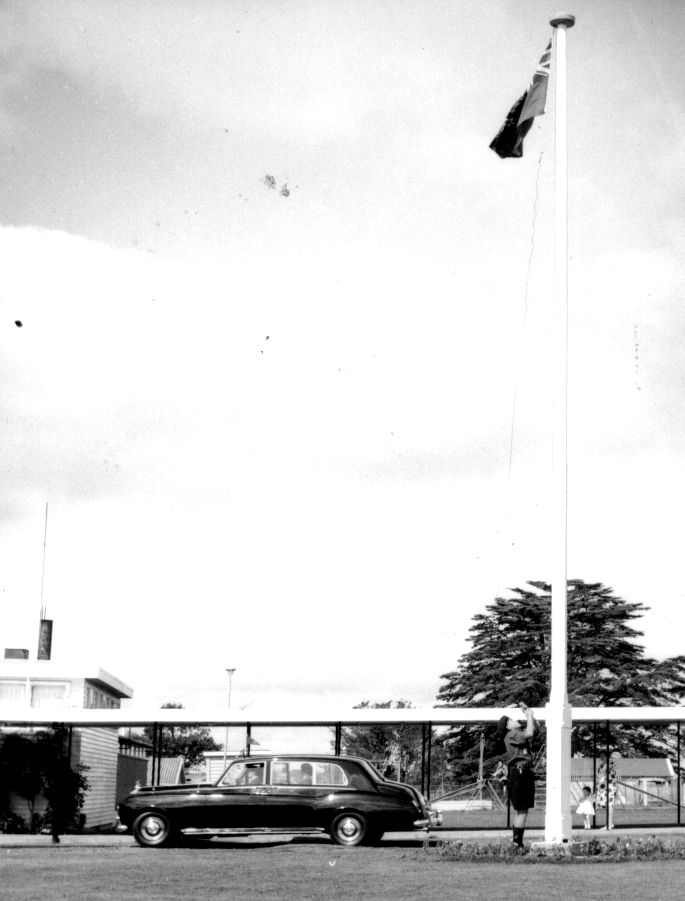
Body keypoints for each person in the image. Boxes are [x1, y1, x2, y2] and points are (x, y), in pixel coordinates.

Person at [497, 702, 538, 850]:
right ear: (508, 726)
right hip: (520, 772)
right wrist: (528, 715)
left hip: (521, 772)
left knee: (522, 810)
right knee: (522, 810)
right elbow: (530, 733)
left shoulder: (515, 734)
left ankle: (517, 843)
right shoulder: (512, 734)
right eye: (511, 720)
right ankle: (517, 844)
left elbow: (535, 729)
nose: (516, 720)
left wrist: (530, 714)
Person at [596, 754, 617, 829]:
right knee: (606, 805)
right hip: (603, 787)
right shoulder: (602, 765)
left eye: (603, 755)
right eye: (600, 755)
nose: (601, 757)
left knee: (610, 805)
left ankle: (609, 823)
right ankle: (609, 823)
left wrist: (602, 782)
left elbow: (609, 775)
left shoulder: (610, 764)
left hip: (609, 786)